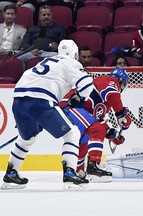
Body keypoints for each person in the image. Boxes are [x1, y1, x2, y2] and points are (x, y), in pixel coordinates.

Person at [1, 39, 94, 190]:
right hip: (41, 101)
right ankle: (70, 174)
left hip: (19, 100)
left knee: (27, 138)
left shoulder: (46, 60)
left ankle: (11, 174)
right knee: (72, 133)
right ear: (74, 54)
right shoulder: (71, 63)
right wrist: (79, 99)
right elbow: (87, 84)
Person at [60, 67, 131, 182]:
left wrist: (113, 134)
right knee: (97, 129)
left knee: (83, 141)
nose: (121, 88)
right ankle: (93, 164)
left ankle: (76, 172)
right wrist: (121, 115)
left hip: (78, 114)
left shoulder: (105, 103)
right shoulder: (110, 80)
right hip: (71, 108)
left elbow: (98, 120)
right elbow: (113, 96)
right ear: (121, 81)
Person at [17, 4, 66, 71]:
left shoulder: (59, 28)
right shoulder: (32, 29)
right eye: (44, 15)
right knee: (18, 60)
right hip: (34, 53)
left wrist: (57, 46)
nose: (46, 17)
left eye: (48, 15)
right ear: (39, 17)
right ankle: (22, 79)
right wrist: (31, 50)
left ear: (52, 16)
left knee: (62, 58)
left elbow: (64, 44)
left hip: (52, 53)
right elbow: (24, 44)